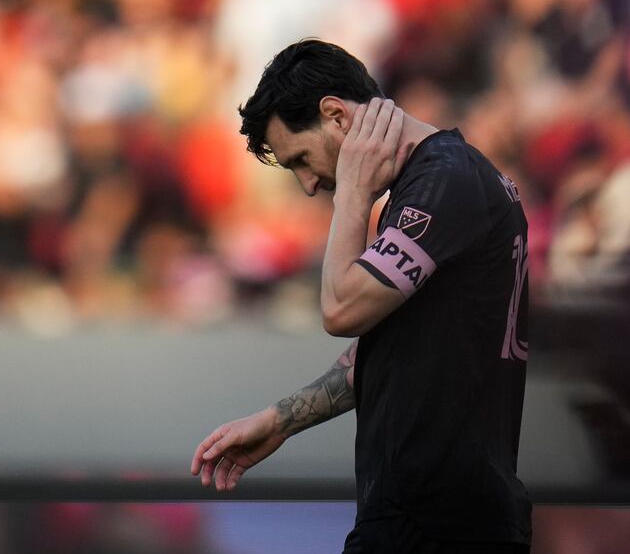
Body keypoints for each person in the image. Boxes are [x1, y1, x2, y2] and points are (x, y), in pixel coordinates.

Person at [190, 40, 532, 553]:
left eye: (300, 159)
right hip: (436, 514)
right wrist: (282, 419)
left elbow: (341, 309)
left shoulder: (445, 179)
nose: (307, 185)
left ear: (336, 115)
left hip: (436, 520)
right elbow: (392, 344)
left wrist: (351, 192)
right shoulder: (439, 182)